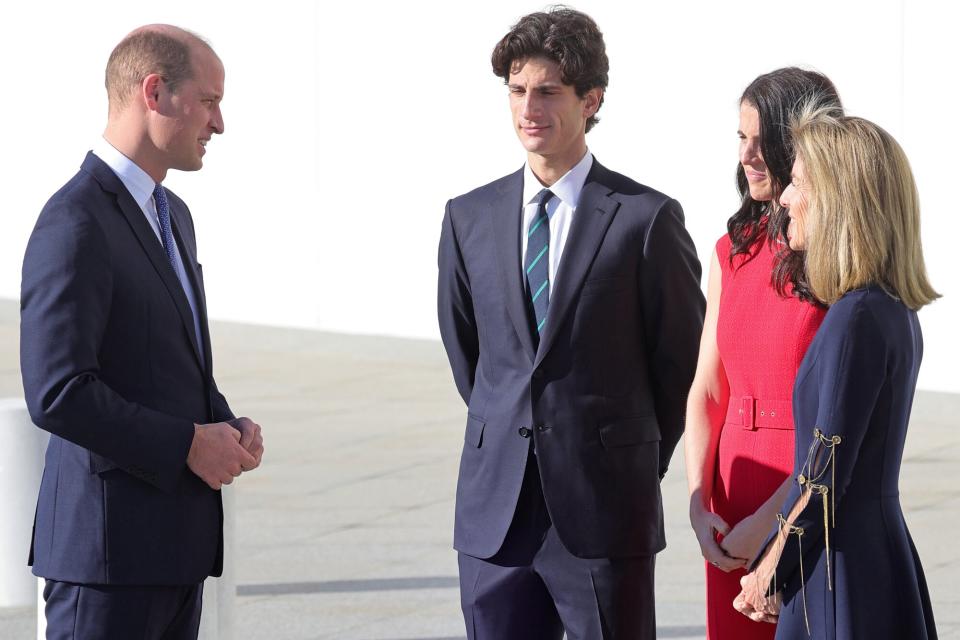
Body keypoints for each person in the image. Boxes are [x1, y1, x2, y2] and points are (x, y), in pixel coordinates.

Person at [437, 7, 704, 639]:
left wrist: (626, 461)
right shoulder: (466, 217)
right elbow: (469, 356)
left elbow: (679, 369)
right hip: (494, 518)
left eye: (548, 91)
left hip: (603, 514)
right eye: (517, 90)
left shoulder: (646, 220)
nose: (529, 107)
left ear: (591, 100)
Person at [20, 25, 264, 638]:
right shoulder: (74, 221)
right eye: (209, 101)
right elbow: (57, 391)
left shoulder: (172, 214)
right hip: (105, 563)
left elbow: (170, 357)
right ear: (154, 93)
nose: (220, 123)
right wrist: (187, 443)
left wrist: (224, 422)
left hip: (173, 553)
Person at [733, 108, 940, 639]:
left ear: (837, 199)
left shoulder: (859, 315)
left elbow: (823, 477)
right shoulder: (887, 308)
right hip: (860, 559)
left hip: (840, 572)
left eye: (797, 183)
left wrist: (768, 572)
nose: (783, 199)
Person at [683, 68, 842, 639]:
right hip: (729, 498)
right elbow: (707, 388)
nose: (748, 155)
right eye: (741, 138)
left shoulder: (836, 261)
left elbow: (836, 420)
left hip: (804, 493)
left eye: (762, 140)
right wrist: (699, 504)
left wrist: (774, 522)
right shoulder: (729, 252)